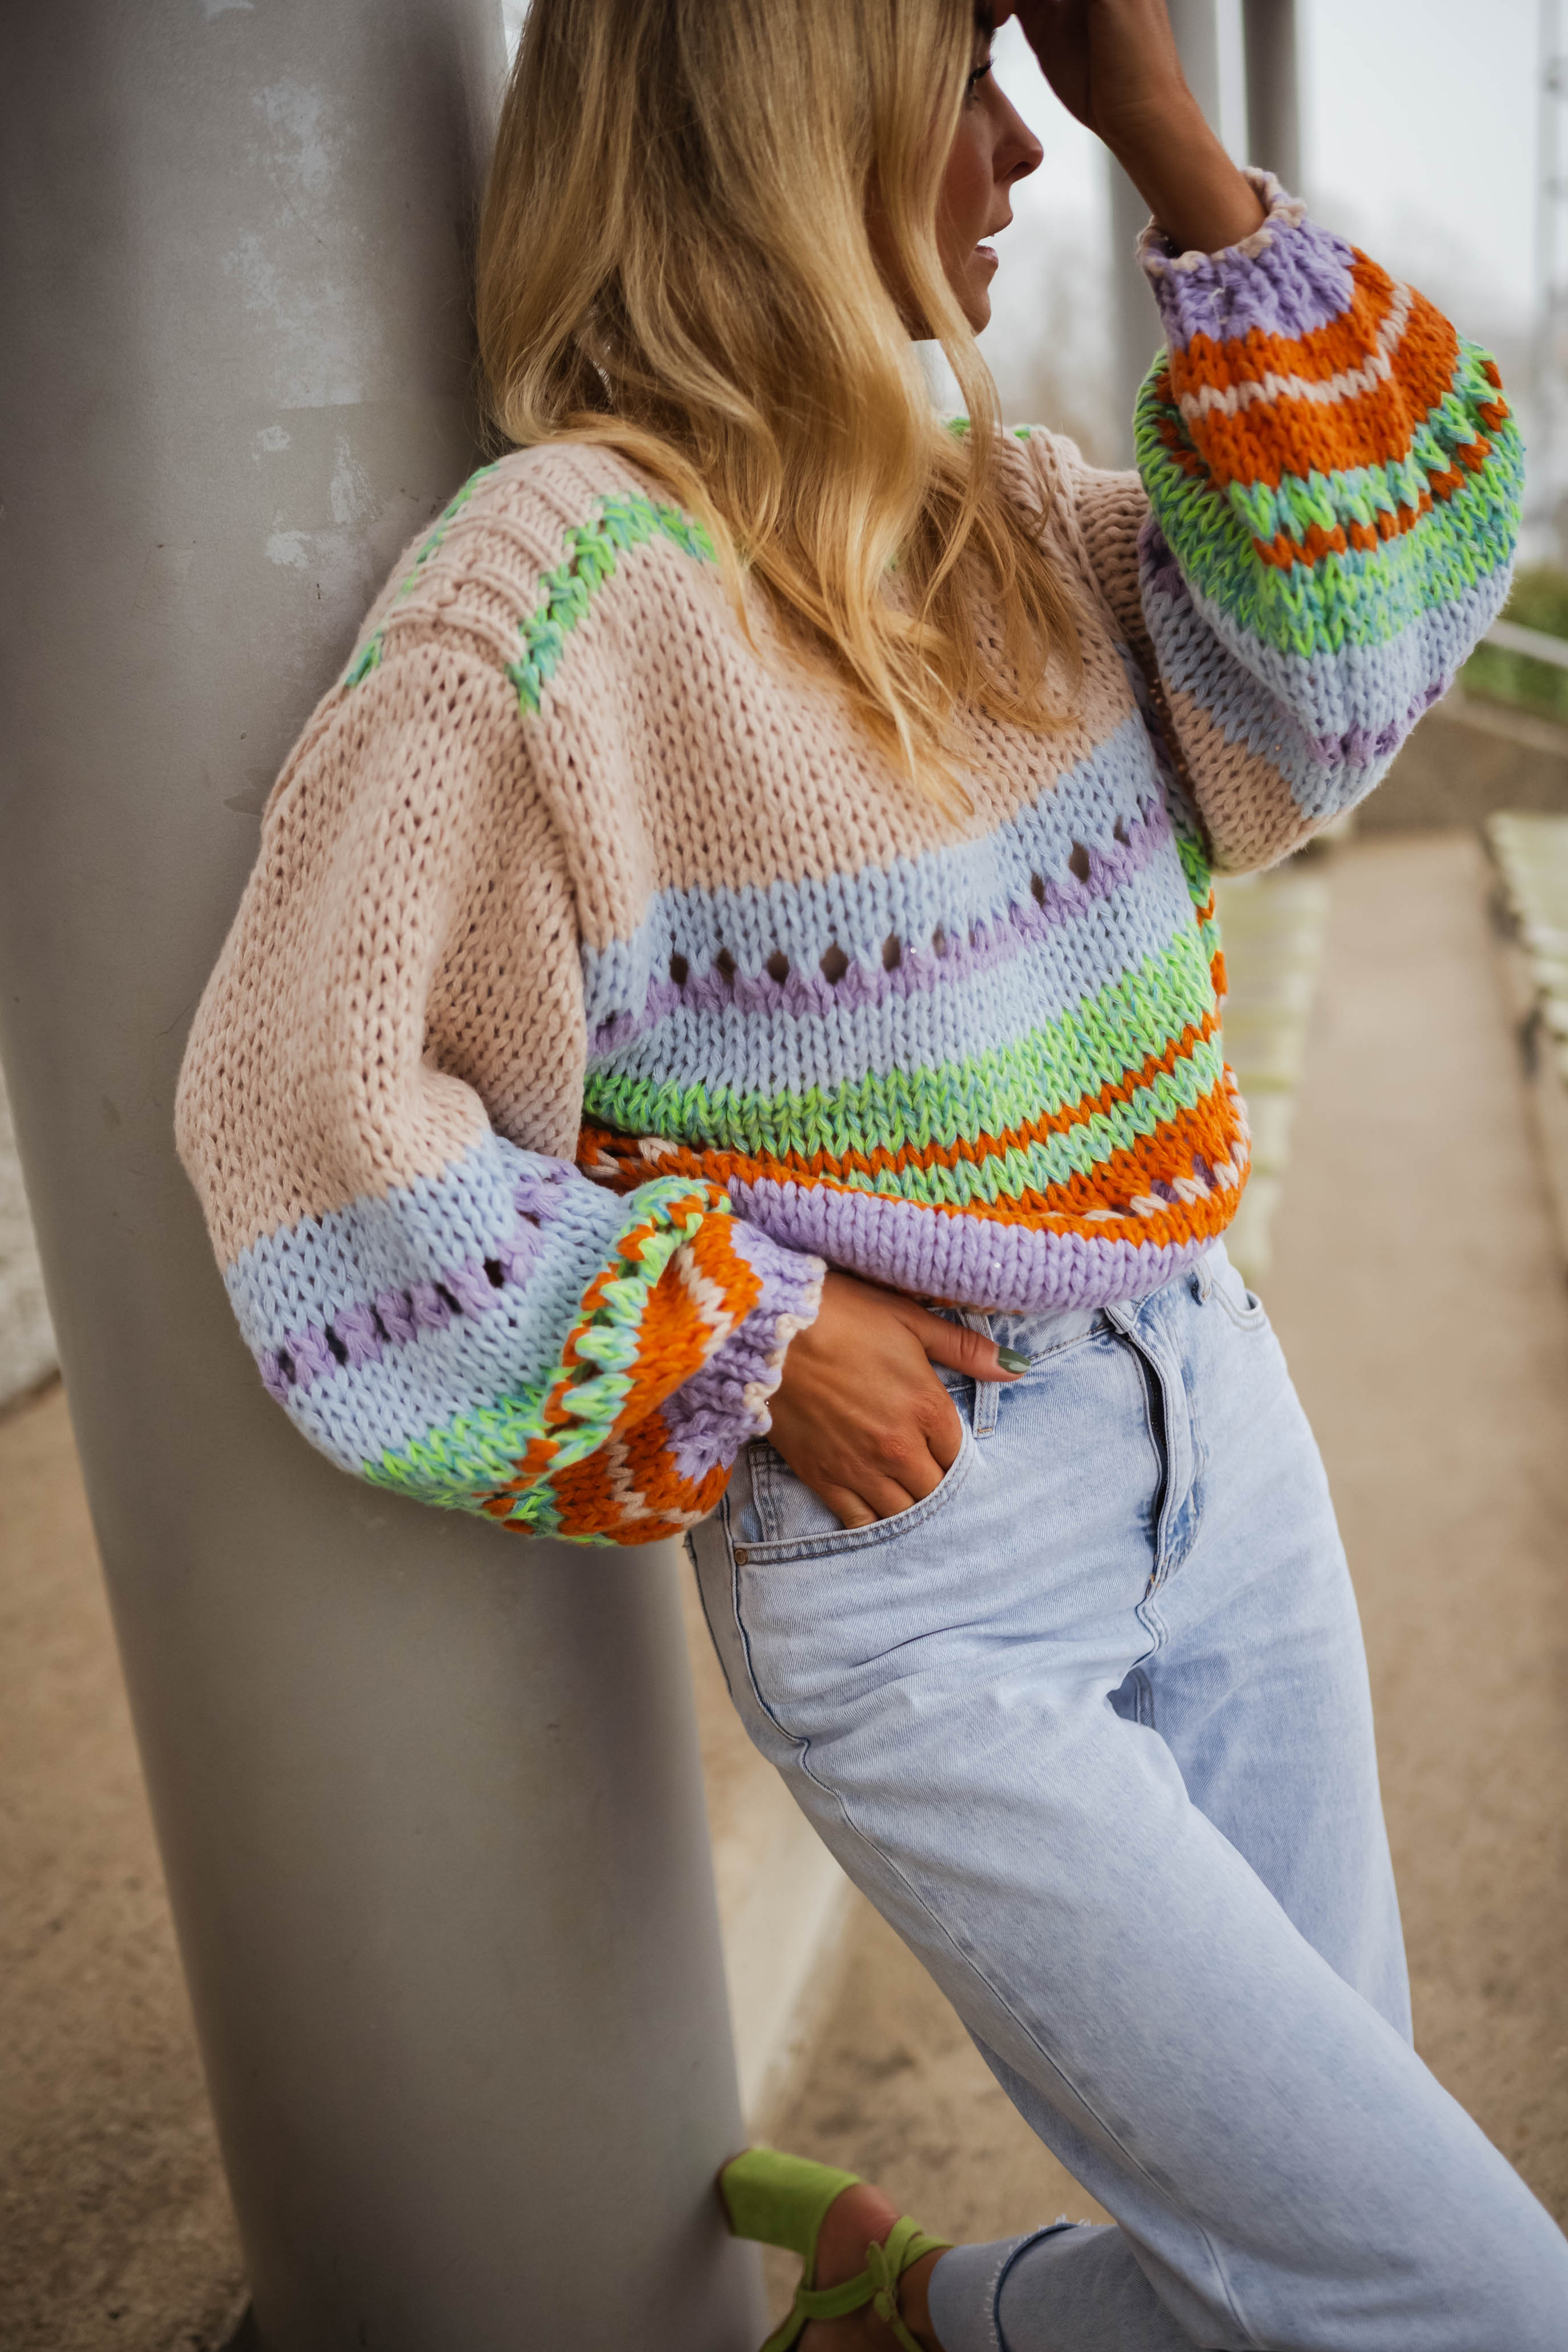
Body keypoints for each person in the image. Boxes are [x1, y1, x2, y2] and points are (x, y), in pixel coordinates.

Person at [174, 0, 1566, 2343]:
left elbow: (1372, 626)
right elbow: (307, 1128)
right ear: (784, 120)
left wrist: (1162, 116)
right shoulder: (557, 592)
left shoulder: (1001, 513)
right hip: (930, 1565)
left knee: (1331, 2261)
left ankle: (915, 2317)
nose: (1021, 144)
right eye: (968, 82)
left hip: (1221, 1430)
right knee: (1454, 2298)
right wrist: (748, 1326)